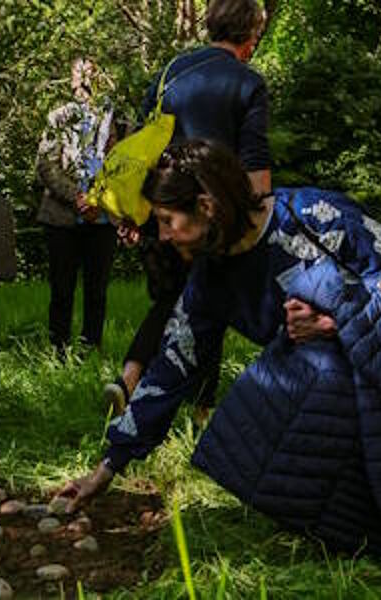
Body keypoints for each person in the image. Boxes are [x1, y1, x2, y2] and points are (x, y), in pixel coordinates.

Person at [60, 140, 381, 561]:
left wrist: (333, 321)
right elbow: (171, 367)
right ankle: (347, 527)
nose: (165, 234)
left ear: (206, 207)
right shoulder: (212, 276)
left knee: (286, 388)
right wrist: (106, 470)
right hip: (322, 391)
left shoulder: (314, 216)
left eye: (167, 220)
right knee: (248, 426)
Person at [104, 0, 272, 421]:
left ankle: (130, 378)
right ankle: (200, 407)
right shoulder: (248, 82)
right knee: (209, 304)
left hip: (162, 208)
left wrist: (135, 214)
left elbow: (139, 146)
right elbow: (255, 164)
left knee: (171, 300)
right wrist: (257, 219)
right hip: (210, 214)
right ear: (250, 37)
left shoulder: (170, 73)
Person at [36, 58, 118, 352]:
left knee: (97, 292)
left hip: (103, 218)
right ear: (71, 80)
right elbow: (46, 166)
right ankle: (57, 351)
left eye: (90, 74)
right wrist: (78, 198)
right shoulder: (57, 117)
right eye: (78, 74)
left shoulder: (116, 119)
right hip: (61, 218)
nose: (83, 80)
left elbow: (127, 166)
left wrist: (101, 200)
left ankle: (90, 352)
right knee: (61, 290)